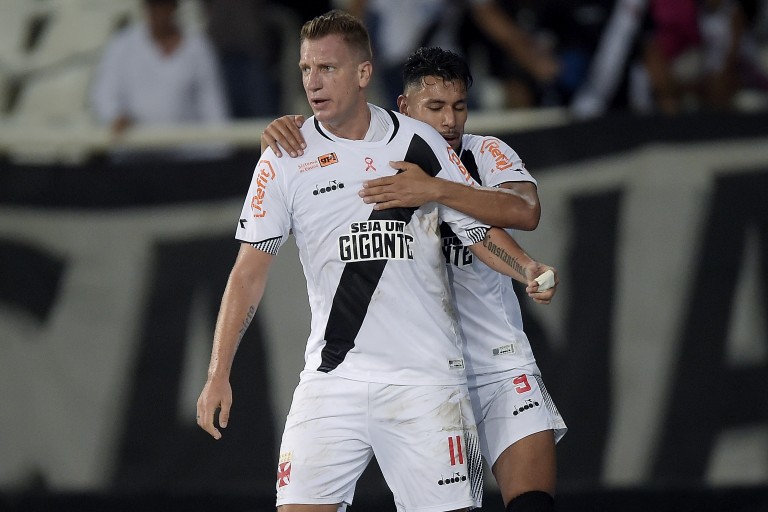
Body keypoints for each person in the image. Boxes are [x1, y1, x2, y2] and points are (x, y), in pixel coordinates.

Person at [196, 10, 558, 512]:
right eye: (305, 69)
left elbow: (477, 233)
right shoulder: (284, 155)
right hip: (333, 380)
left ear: (364, 72)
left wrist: (524, 269)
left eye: (327, 68)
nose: (312, 82)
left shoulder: (420, 143)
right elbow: (248, 273)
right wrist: (218, 371)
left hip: (425, 381)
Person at [90, 0, 230, 160]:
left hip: (186, 159)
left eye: (163, 4)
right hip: (134, 158)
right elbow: (104, 94)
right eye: (153, 4)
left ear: (174, 7)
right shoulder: (122, 45)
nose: (158, 11)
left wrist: (218, 153)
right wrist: (115, 116)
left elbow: (213, 108)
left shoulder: (198, 48)